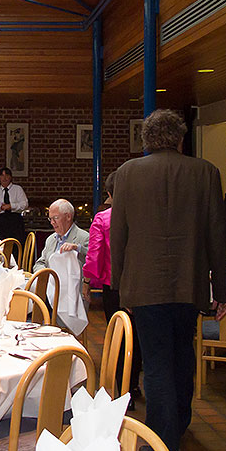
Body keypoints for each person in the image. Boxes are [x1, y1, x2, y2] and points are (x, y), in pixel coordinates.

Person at [111, 109, 226, 451]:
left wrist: (120, 285)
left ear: (146, 140)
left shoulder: (128, 174)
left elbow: (119, 236)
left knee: (158, 364)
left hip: (144, 287)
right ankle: (178, 425)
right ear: (180, 138)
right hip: (190, 284)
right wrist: (221, 290)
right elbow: (217, 235)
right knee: (183, 357)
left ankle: (162, 446)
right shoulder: (205, 172)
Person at [82, 171, 142, 406]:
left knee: (119, 335)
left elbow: (95, 255)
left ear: (108, 194)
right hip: (140, 283)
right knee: (137, 335)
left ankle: (123, 388)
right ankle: (134, 384)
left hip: (114, 285)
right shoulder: (143, 216)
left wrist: (88, 281)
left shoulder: (103, 219)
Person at [33, 199, 89, 272]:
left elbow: (94, 260)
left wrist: (77, 248)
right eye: (50, 219)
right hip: (51, 282)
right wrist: (45, 274)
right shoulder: (51, 239)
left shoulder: (84, 237)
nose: (52, 222)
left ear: (68, 217)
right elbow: (40, 263)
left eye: (56, 218)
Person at [0, 167, 28, 250]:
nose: (4, 178)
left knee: (16, 246)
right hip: (0, 222)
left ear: (10, 177)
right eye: (2, 175)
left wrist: (11, 206)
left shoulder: (17, 189)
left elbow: (24, 204)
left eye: (7, 175)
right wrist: (0, 208)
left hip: (15, 221)